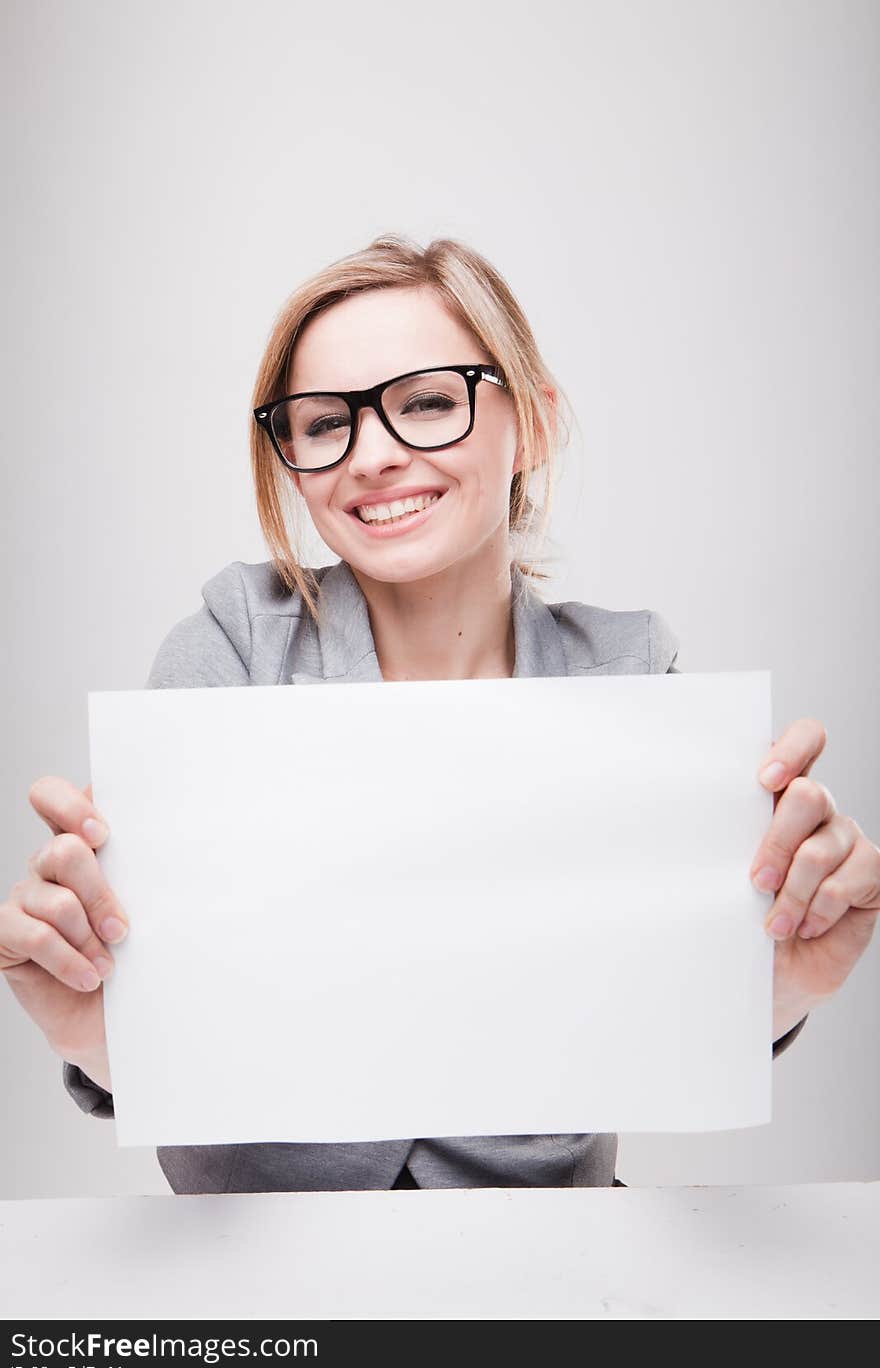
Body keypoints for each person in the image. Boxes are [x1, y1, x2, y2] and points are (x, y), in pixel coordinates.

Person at [3, 234, 878, 1195]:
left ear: (533, 424)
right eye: (324, 422)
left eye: (426, 401)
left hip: (554, 1275)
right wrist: (100, 1033)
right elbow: (189, 1047)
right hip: (260, 1278)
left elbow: (647, 1025)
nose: (373, 456)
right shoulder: (229, 654)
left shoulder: (634, 681)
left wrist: (787, 975)